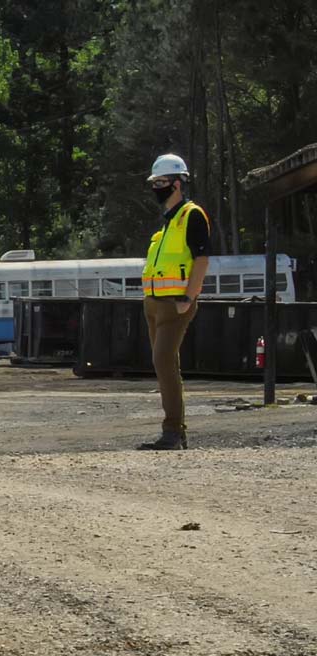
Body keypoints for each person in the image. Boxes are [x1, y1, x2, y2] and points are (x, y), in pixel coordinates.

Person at [138, 153, 211, 451]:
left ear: (178, 184)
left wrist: (188, 298)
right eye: (155, 182)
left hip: (175, 303)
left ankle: (172, 432)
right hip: (155, 303)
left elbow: (202, 260)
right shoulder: (167, 224)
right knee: (165, 364)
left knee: (163, 361)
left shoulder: (191, 215)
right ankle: (176, 432)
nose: (157, 187)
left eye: (162, 182)